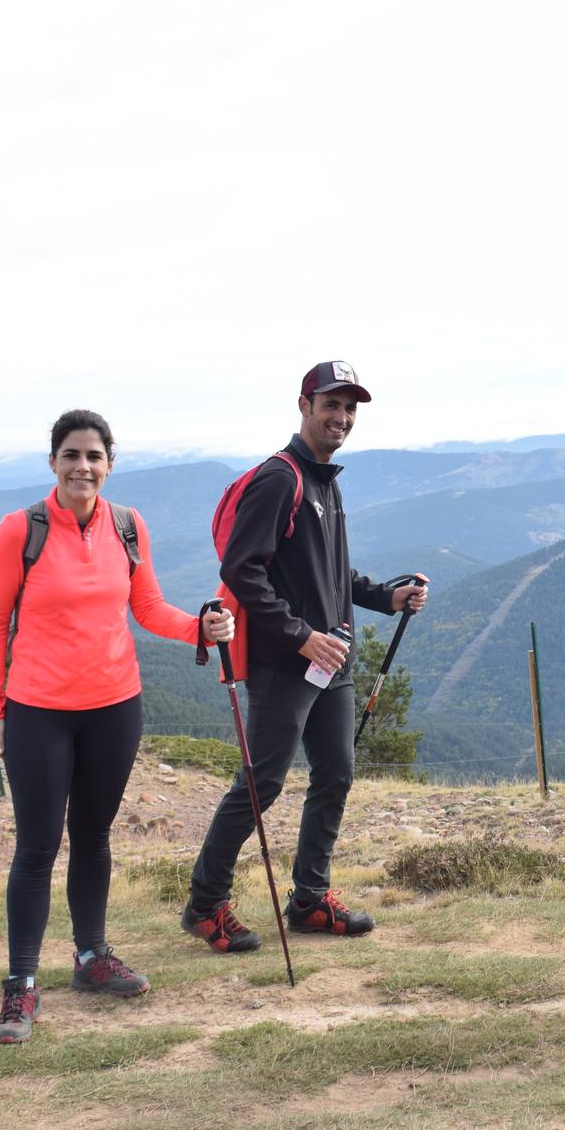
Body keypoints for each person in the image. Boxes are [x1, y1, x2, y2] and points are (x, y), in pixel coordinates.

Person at [0, 409, 234, 1044]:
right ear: (53, 463)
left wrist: (197, 628)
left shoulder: (127, 525)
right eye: (70, 455)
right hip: (37, 710)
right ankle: (20, 988)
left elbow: (145, 606)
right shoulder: (20, 530)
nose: (82, 466)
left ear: (109, 463)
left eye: (93, 456)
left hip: (116, 707)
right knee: (37, 848)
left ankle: (91, 958)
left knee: (92, 836)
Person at [182, 361, 427, 950]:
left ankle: (310, 900)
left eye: (349, 408)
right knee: (260, 785)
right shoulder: (280, 478)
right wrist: (300, 635)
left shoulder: (325, 480)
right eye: (330, 405)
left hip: (330, 662)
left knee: (336, 774)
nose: (340, 417)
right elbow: (241, 569)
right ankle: (204, 904)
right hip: (284, 663)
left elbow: (330, 572)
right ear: (304, 404)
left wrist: (384, 598)